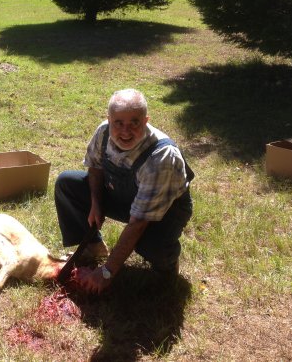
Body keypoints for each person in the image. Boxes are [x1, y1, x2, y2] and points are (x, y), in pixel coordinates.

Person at [55, 89, 193, 294]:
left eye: (134, 123)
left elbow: (139, 222)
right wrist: (96, 203)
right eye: (118, 123)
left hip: (164, 211)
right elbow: (95, 167)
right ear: (109, 119)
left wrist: (107, 272)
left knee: (150, 245)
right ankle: (93, 246)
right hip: (124, 196)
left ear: (146, 121)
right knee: (67, 183)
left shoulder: (161, 157)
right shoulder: (104, 132)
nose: (126, 131)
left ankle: (167, 267)